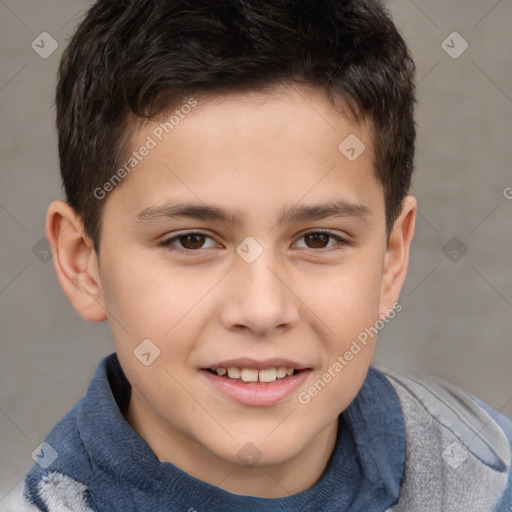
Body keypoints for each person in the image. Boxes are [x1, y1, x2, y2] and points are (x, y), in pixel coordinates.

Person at [7, 0, 511, 510]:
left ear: (391, 258)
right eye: (191, 240)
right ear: (82, 263)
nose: (262, 310)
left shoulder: (492, 472)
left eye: (318, 239)